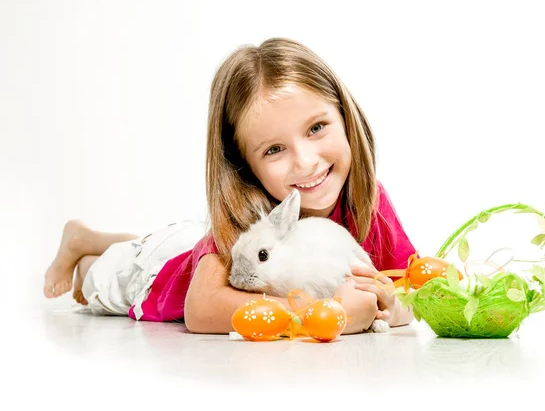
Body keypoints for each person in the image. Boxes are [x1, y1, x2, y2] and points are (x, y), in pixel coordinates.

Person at [43, 37, 417, 335]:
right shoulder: (243, 220)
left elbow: (409, 287)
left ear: (344, 115)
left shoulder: (369, 202)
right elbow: (201, 311)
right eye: (274, 149)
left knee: (162, 245)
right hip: (155, 279)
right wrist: (318, 314)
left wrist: (391, 306)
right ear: (245, 166)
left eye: (316, 128)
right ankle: (87, 248)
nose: (305, 161)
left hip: (187, 245)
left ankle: (111, 240)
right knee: (107, 276)